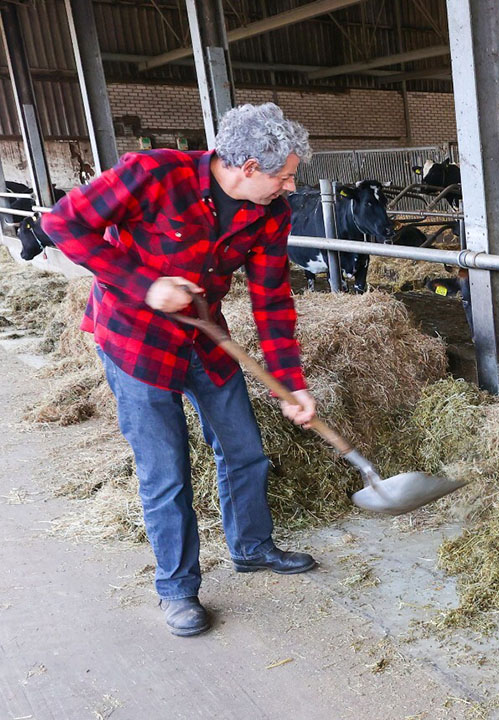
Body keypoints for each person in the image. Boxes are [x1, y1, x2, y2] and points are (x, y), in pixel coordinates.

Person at [42, 103, 319, 637]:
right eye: (284, 177)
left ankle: (252, 547)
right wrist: (146, 283)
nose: (288, 187)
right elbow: (61, 224)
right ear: (247, 168)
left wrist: (290, 384)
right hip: (135, 340)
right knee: (165, 470)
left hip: (204, 335)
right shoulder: (153, 174)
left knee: (244, 449)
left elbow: (273, 300)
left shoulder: (269, 213)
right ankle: (177, 589)